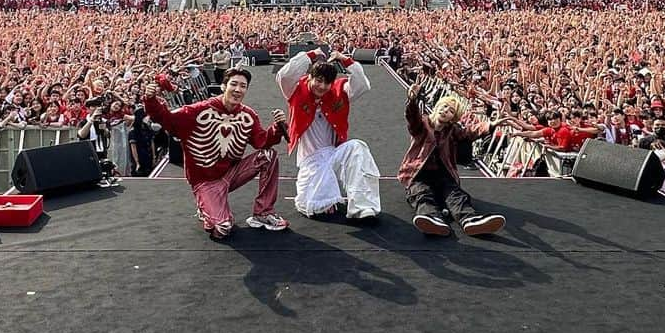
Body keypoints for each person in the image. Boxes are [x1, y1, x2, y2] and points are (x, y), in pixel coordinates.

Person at [143, 67, 288, 240]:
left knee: (268, 156)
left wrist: (277, 127)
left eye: (243, 86)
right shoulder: (198, 110)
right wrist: (150, 100)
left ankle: (264, 212)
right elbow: (167, 119)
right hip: (205, 181)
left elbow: (261, 142)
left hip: (231, 174)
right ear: (223, 86)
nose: (238, 90)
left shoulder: (248, 115)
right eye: (233, 84)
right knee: (223, 229)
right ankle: (206, 208)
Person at [276, 45, 380, 220]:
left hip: (333, 153)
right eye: (318, 80)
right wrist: (311, 55)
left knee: (357, 147)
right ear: (309, 77)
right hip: (311, 160)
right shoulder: (295, 90)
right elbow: (285, 75)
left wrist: (344, 59)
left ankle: (363, 207)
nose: (322, 86)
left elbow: (363, 84)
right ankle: (324, 195)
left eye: (327, 82)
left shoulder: (340, 91)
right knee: (313, 206)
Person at [397, 80, 506, 237]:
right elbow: (411, 117)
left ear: (452, 118)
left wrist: (490, 125)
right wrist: (412, 100)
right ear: (437, 106)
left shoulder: (452, 130)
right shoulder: (421, 125)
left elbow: (471, 131)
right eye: (444, 106)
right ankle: (432, 220)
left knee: (456, 196)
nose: (445, 110)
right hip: (418, 174)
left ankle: (471, 220)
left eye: (450, 111)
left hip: (443, 175)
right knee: (422, 195)